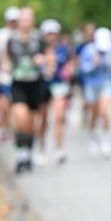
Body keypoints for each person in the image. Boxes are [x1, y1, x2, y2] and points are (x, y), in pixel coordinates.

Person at [8, 8, 47, 174]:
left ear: (33, 21)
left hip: (35, 83)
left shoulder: (39, 38)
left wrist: (43, 60)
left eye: (28, 19)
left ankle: (27, 154)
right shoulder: (12, 39)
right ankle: (20, 153)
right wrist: (4, 67)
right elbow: (6, 58)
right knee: (20, 118)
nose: (25, 22)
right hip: (19, 83)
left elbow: (47, 56)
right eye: (23, 19)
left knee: (31, 122)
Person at [39, 19, 74, 165]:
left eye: (53, 33)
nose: (51, 36)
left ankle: (59, 148)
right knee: (43, 119)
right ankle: (41, 148)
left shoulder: (63, 48)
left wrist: (69, 69)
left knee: (59, 117)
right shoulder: (38, 49)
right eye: (48, 34)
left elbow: (71, 62)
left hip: (59, 85)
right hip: (42, 85)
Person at [78, 27, 111, 157]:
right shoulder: (87, 50)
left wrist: (107, 63)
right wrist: (94, 64)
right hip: (91, 85)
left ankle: (106, 138)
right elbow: (83, 69)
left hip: (106, 83)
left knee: (105, 111)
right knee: (94, 114)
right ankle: (92, 136)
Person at [0, 7, 20, 142]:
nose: (13, 23)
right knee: (3, 106)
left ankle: (15, 134)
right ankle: (3, 129)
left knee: (15, 109)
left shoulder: (24, 35)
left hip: (19, 77)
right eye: (11, 21)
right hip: (3, 77)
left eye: (16, 20)